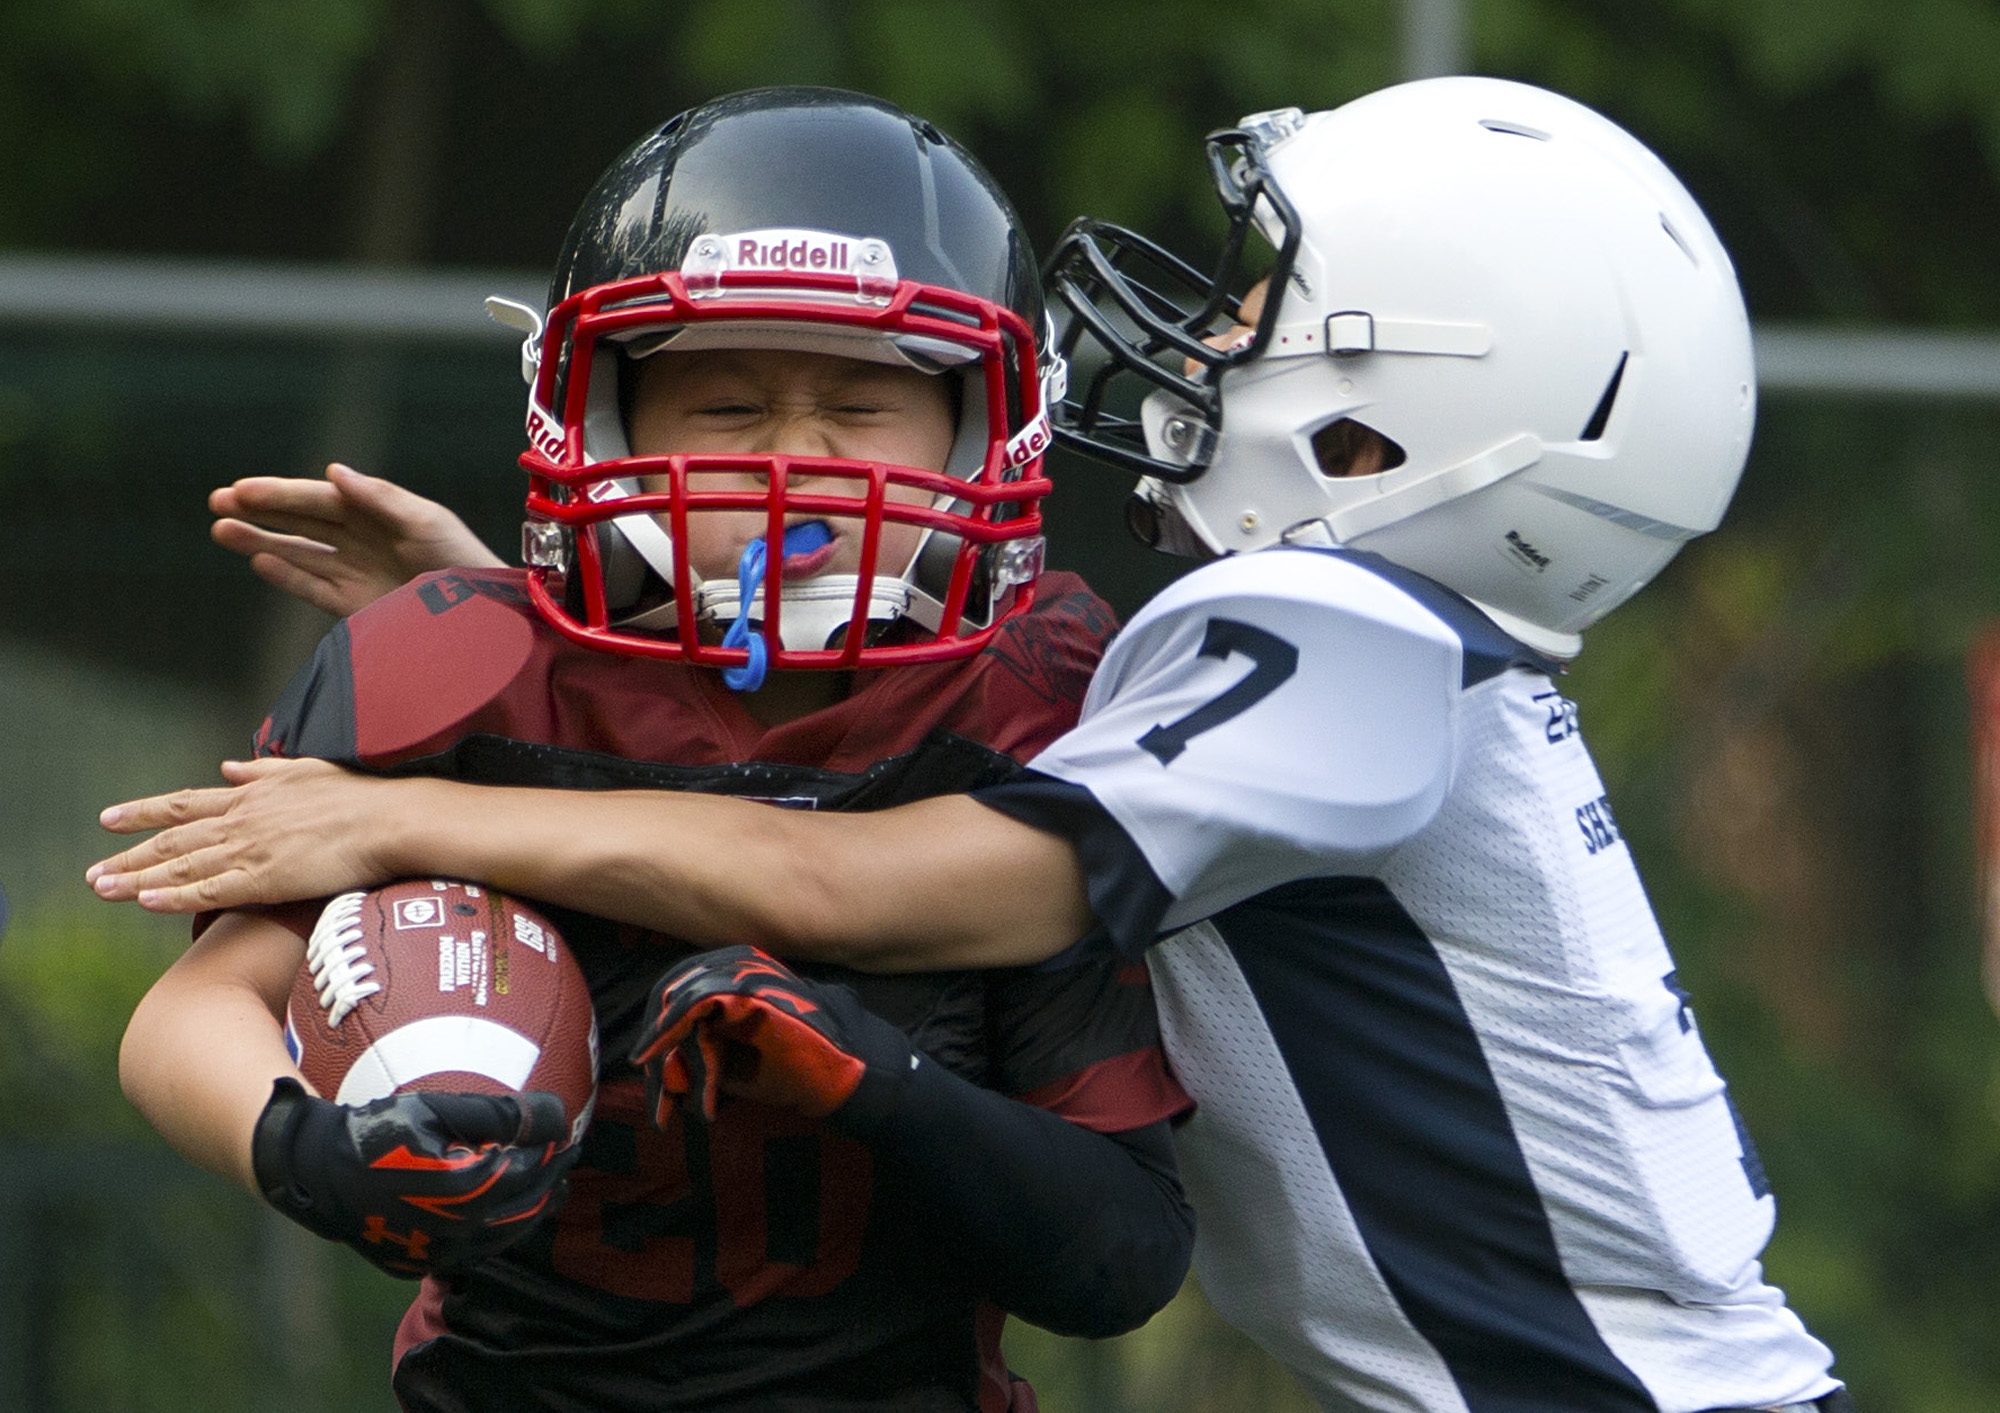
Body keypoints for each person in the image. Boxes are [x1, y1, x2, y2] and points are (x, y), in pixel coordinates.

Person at [93, 78, 1852, 1412]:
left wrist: (424, 819)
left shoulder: (1328, 645)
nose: (1202, 333)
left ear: (1394, 432)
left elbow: (852, 870)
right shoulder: (1336, 658)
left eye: (1260, 312)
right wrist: (526, 643)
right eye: (720, 402)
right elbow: (743, 758)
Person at [111, 87, 1196, 1413]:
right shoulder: (464, 666)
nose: (797, 459)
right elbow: (194, 1014)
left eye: (864, 404)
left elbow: (1119, 1257)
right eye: (728, 402)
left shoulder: (1038, 693)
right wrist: (309, 1146)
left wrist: (879, 1083)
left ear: (984, 424)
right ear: (609, 416)